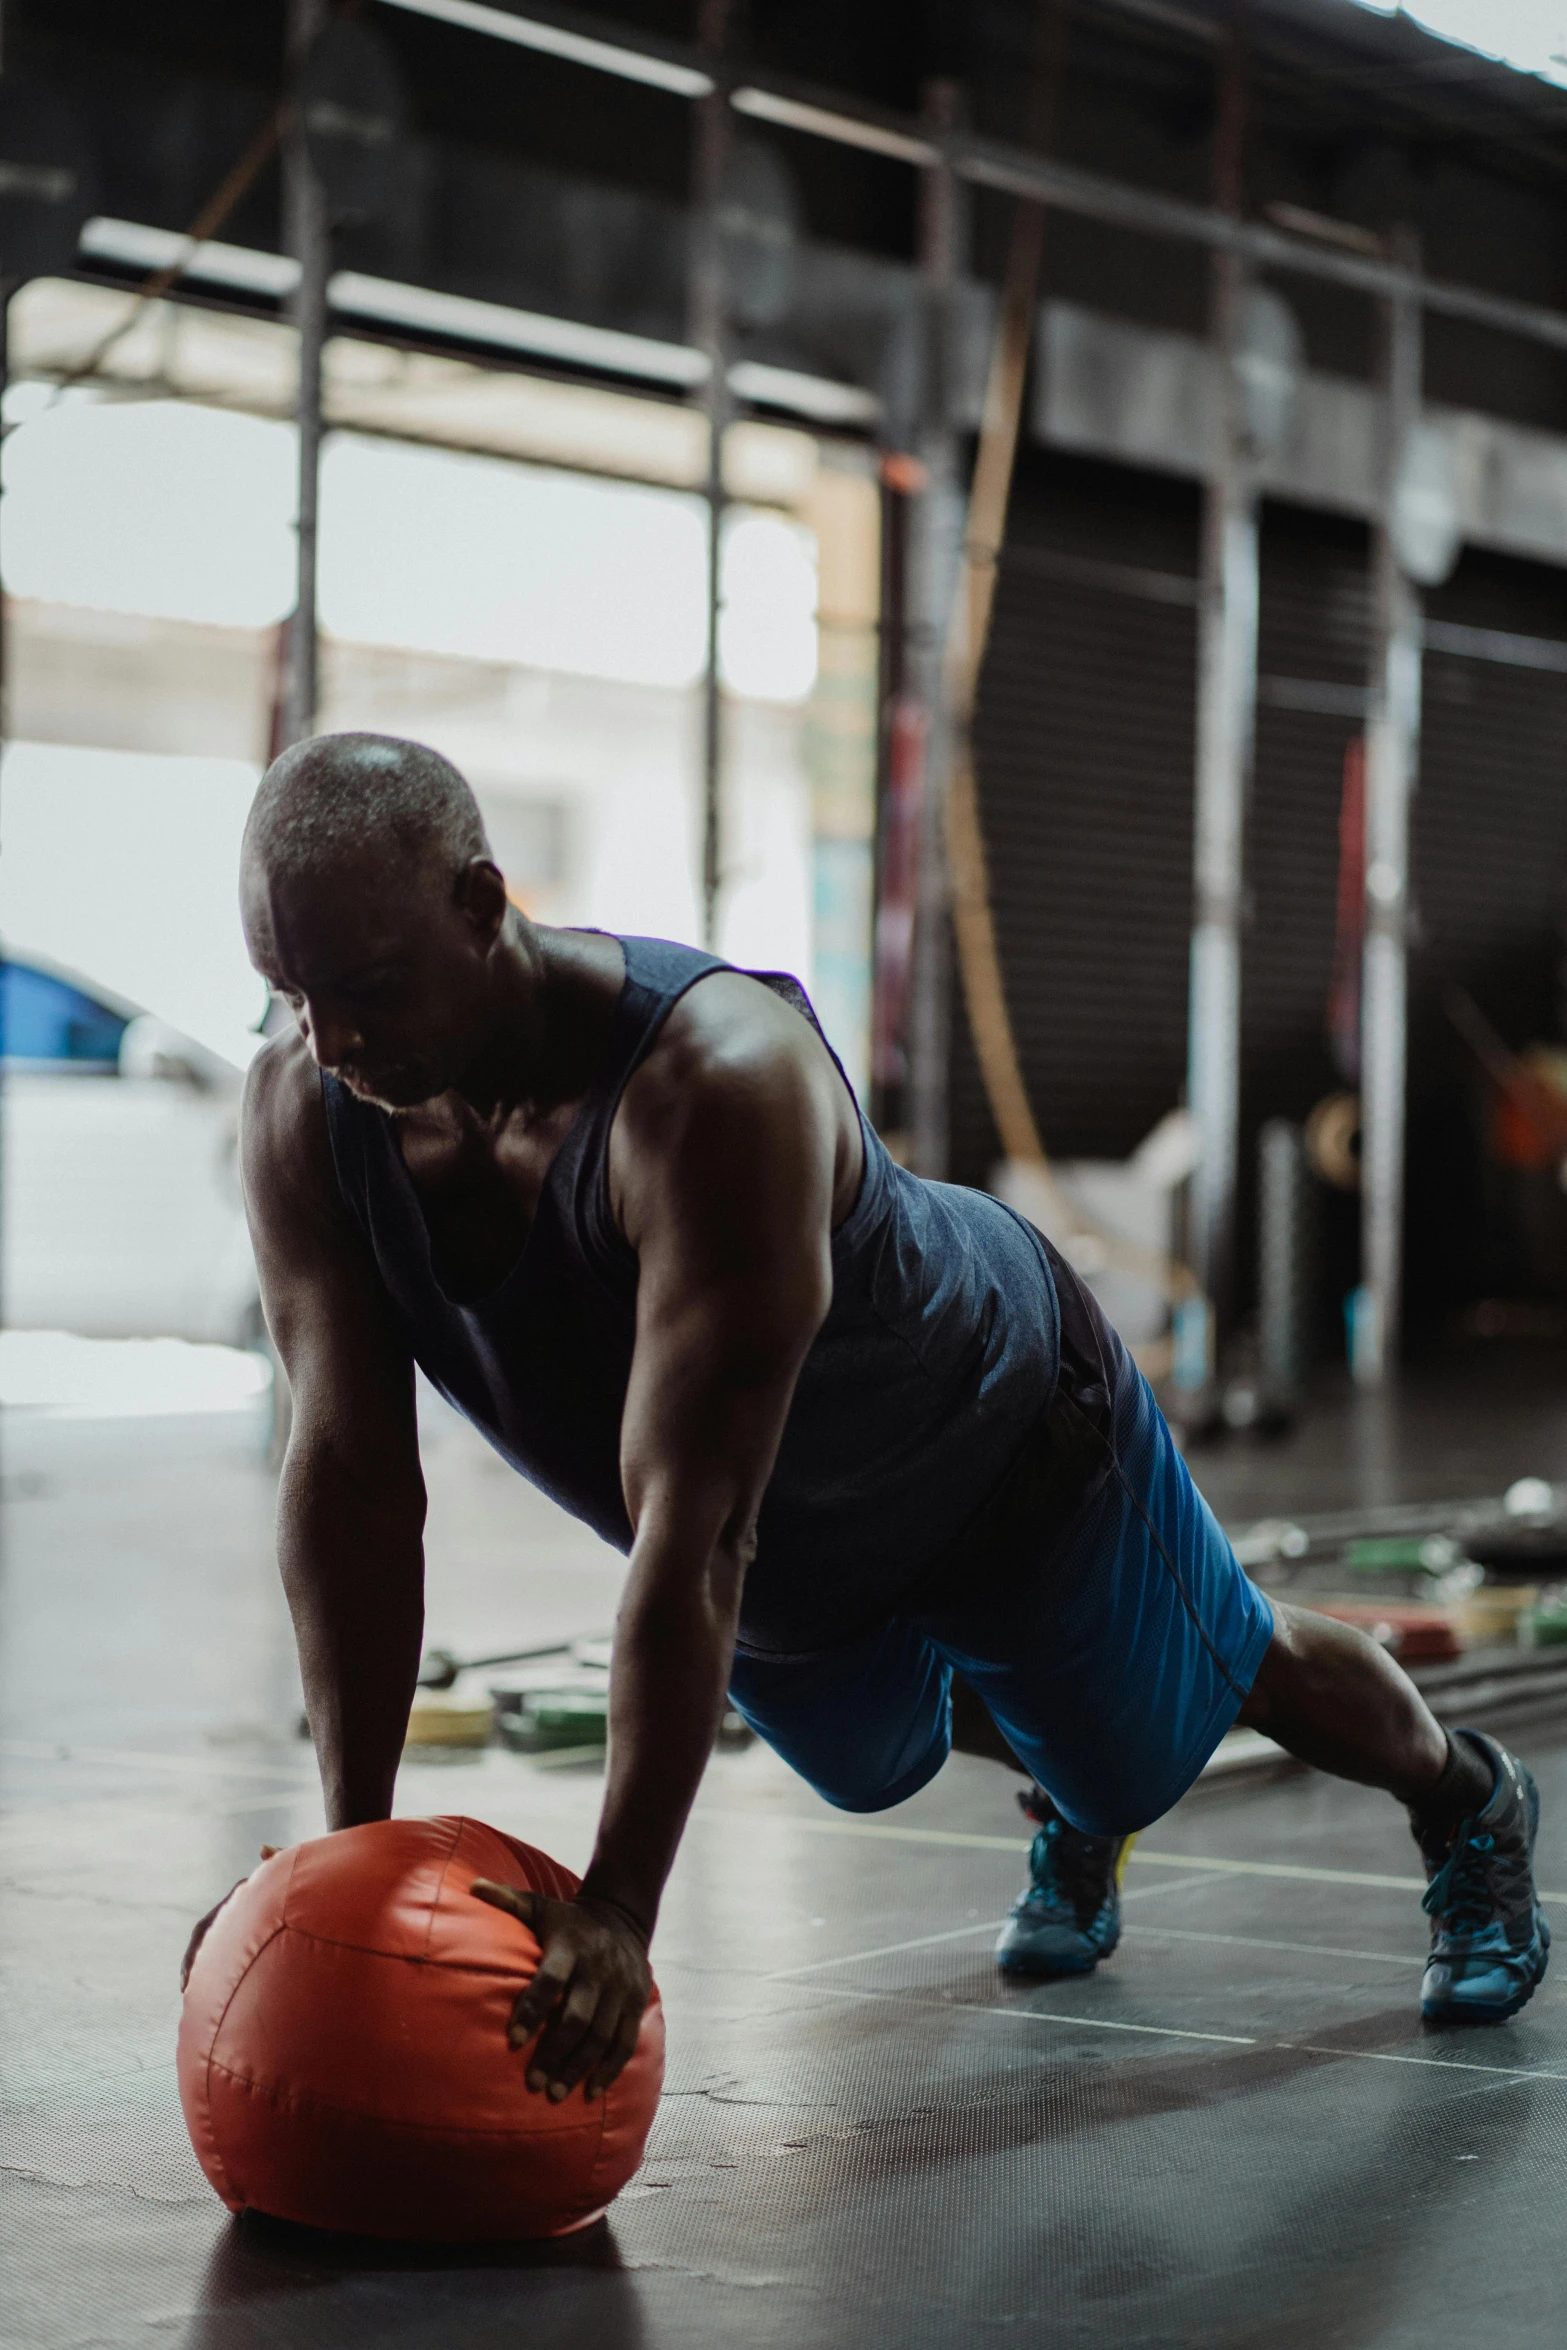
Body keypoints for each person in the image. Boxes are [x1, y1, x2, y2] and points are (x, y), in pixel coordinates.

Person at [190, 730, 1549, 2107]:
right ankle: (1070, 1762)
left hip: (996, 1431)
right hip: (787, 1542)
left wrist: (616, 1910)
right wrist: (341, 1863)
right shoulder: (309, 1112)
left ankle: (1462, 1796)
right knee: (871, 1759)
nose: (334, 1040)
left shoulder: (711, 1085)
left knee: (1172, 1715)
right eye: (290, 994)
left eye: (366, 986)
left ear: (483, 904)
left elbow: (694, 1525)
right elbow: (354, 1479)